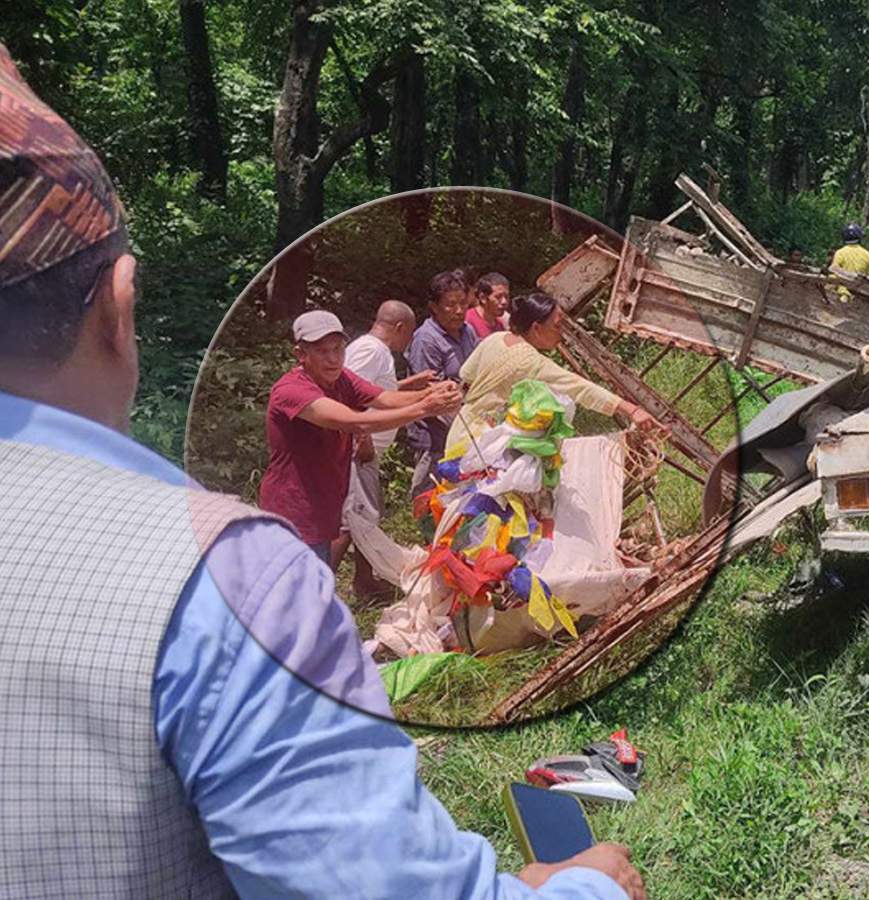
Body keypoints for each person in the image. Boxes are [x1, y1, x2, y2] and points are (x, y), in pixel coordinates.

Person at [0, 44, 644, 900]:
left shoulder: (450, 349)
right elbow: (359, 413)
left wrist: (417, 391)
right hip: (339, 499)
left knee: (397, 561)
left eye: (343, 341)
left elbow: (379, 388)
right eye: (326, 344)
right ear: (119, 310)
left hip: (421, 480)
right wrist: (585, 886)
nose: (338, 353)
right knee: (392, 568)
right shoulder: (230, 579)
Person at [258, 310, 461, 564]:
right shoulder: (292, 390)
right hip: (293, 509)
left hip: (324, 504)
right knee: (295, 592)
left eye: (338, 349)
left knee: (315, 585)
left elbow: (385, 398)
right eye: (322, 351)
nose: (333, 359)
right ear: (301, 355)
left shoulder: (341, 378)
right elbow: (355, 421)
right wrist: (425, 407)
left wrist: (431, 392)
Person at [448, 291, 662, 450]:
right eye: (558, 326)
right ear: (536, 328)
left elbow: (466, 375)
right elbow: (580, 388)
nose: (561, 333)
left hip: (460, 431)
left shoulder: (495, 339)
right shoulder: (532, 363)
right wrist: (632, 410)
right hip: (484, 447)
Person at [339, 299, 434, 593]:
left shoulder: (373, 351)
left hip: (366, 450)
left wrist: (411, 384)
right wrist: (362, 436)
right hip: (358, 448)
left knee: (365, 517)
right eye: (409, 334)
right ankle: (316, 590)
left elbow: (373, 391)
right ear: (400, 327)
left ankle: (364, 581)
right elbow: (347, 396)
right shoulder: (371, 350)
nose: (408, 342)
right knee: (349, 522)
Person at [407, 268, 480, 494]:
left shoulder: (467, 331)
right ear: (434, 306)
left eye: (462, 303)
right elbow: (428, 390)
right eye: (450, 305)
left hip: (466, 426)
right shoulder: (426, 339)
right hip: (435, 434)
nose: (459, 311)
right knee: (431, 495)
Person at [466, 271, 511, 338]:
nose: (504, 302)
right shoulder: (468, 321)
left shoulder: (500, 325)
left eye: (506, 297)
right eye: (498, 297)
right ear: (483, 298)